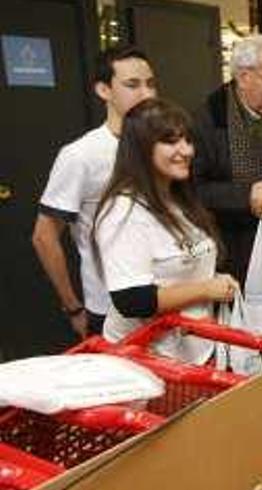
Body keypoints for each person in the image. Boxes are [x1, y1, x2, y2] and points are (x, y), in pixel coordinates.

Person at [93, 98, 237, 364]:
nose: (186, 151)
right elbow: (133, 300)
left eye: (187, 140)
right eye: (171, 142)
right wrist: (206, 289)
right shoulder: (124, 211)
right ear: (141, 149)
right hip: (150, 359)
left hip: (196, 351)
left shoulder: (178, 196)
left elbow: (181, 263)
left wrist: (214, 279)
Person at [32, 46, 157, 338]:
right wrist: (73, 307)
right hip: (111, 307)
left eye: (151, 84)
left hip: (167, 298)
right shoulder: (81, 154)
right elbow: (44, 236)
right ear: (104, 90)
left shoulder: (165, 147)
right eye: (132, 85)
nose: (147, 94)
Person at [191, 34, 262, 289]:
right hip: (240, 266)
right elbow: (193, 192)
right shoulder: (209, 123)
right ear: (244, 78)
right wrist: (243, 196)